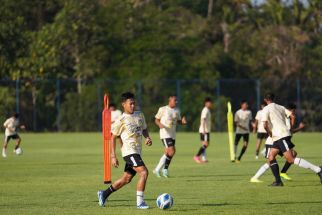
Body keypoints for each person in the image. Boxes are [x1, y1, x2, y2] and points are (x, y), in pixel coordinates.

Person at [97, 92, 153, 209]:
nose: (133, 106)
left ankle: (104, 194)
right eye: (130, 104)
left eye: (134, 103)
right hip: (129, 152)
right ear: (124, 104)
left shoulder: (140, 115)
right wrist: (113, 156)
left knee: (126, 179)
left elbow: (144, 129)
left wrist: (147, 137)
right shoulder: (121, 120)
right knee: (144, 172)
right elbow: (112, 137)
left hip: (137, 152)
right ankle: (140, 202)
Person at [262, 93, 322, 186]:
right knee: (271, 157)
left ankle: (318, 169)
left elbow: (265, 125)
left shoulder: (266, 109)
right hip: (279, 136)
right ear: (274, 98)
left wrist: (270, 133)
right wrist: (289, 129)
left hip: (280, 136)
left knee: (290, 159)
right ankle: (278, 181)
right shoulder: (280, 107)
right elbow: (293, 116)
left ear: (265, 100)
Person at [250, 103, 304, 183]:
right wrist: (300, 128)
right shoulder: (286, 117)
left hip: (278, 141)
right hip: (272, 142)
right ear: (291, 110)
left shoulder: (283, 116)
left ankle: (282, 173)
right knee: (270, 162)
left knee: (293, 154)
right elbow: (290, 131)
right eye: (293, 111)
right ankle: (255, 178)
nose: (294, 113)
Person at [153, 95, 187, 178]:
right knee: (172, 151)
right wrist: (160, 124)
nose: (176, 102)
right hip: (165, 134)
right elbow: (156, 119)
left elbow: (178, 121)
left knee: (168, 152)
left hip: (172, 134)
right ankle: (165, 169)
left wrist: (183, 122)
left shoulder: (177, 110)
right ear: (170, 100)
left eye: (176, 100)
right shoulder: (163, 109)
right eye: (175, 100)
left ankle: (157, 169)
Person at [193, 97, 213, 163]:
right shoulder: (205, 110)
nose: (210, 104)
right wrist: (204, 130)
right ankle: (197, 156)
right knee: (206, 144)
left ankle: (204, 158)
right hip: (204, 130)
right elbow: (203, 119)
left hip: (204, 130)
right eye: (209, 103)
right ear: (206, 103)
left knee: (204, 145)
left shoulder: (207, 110)